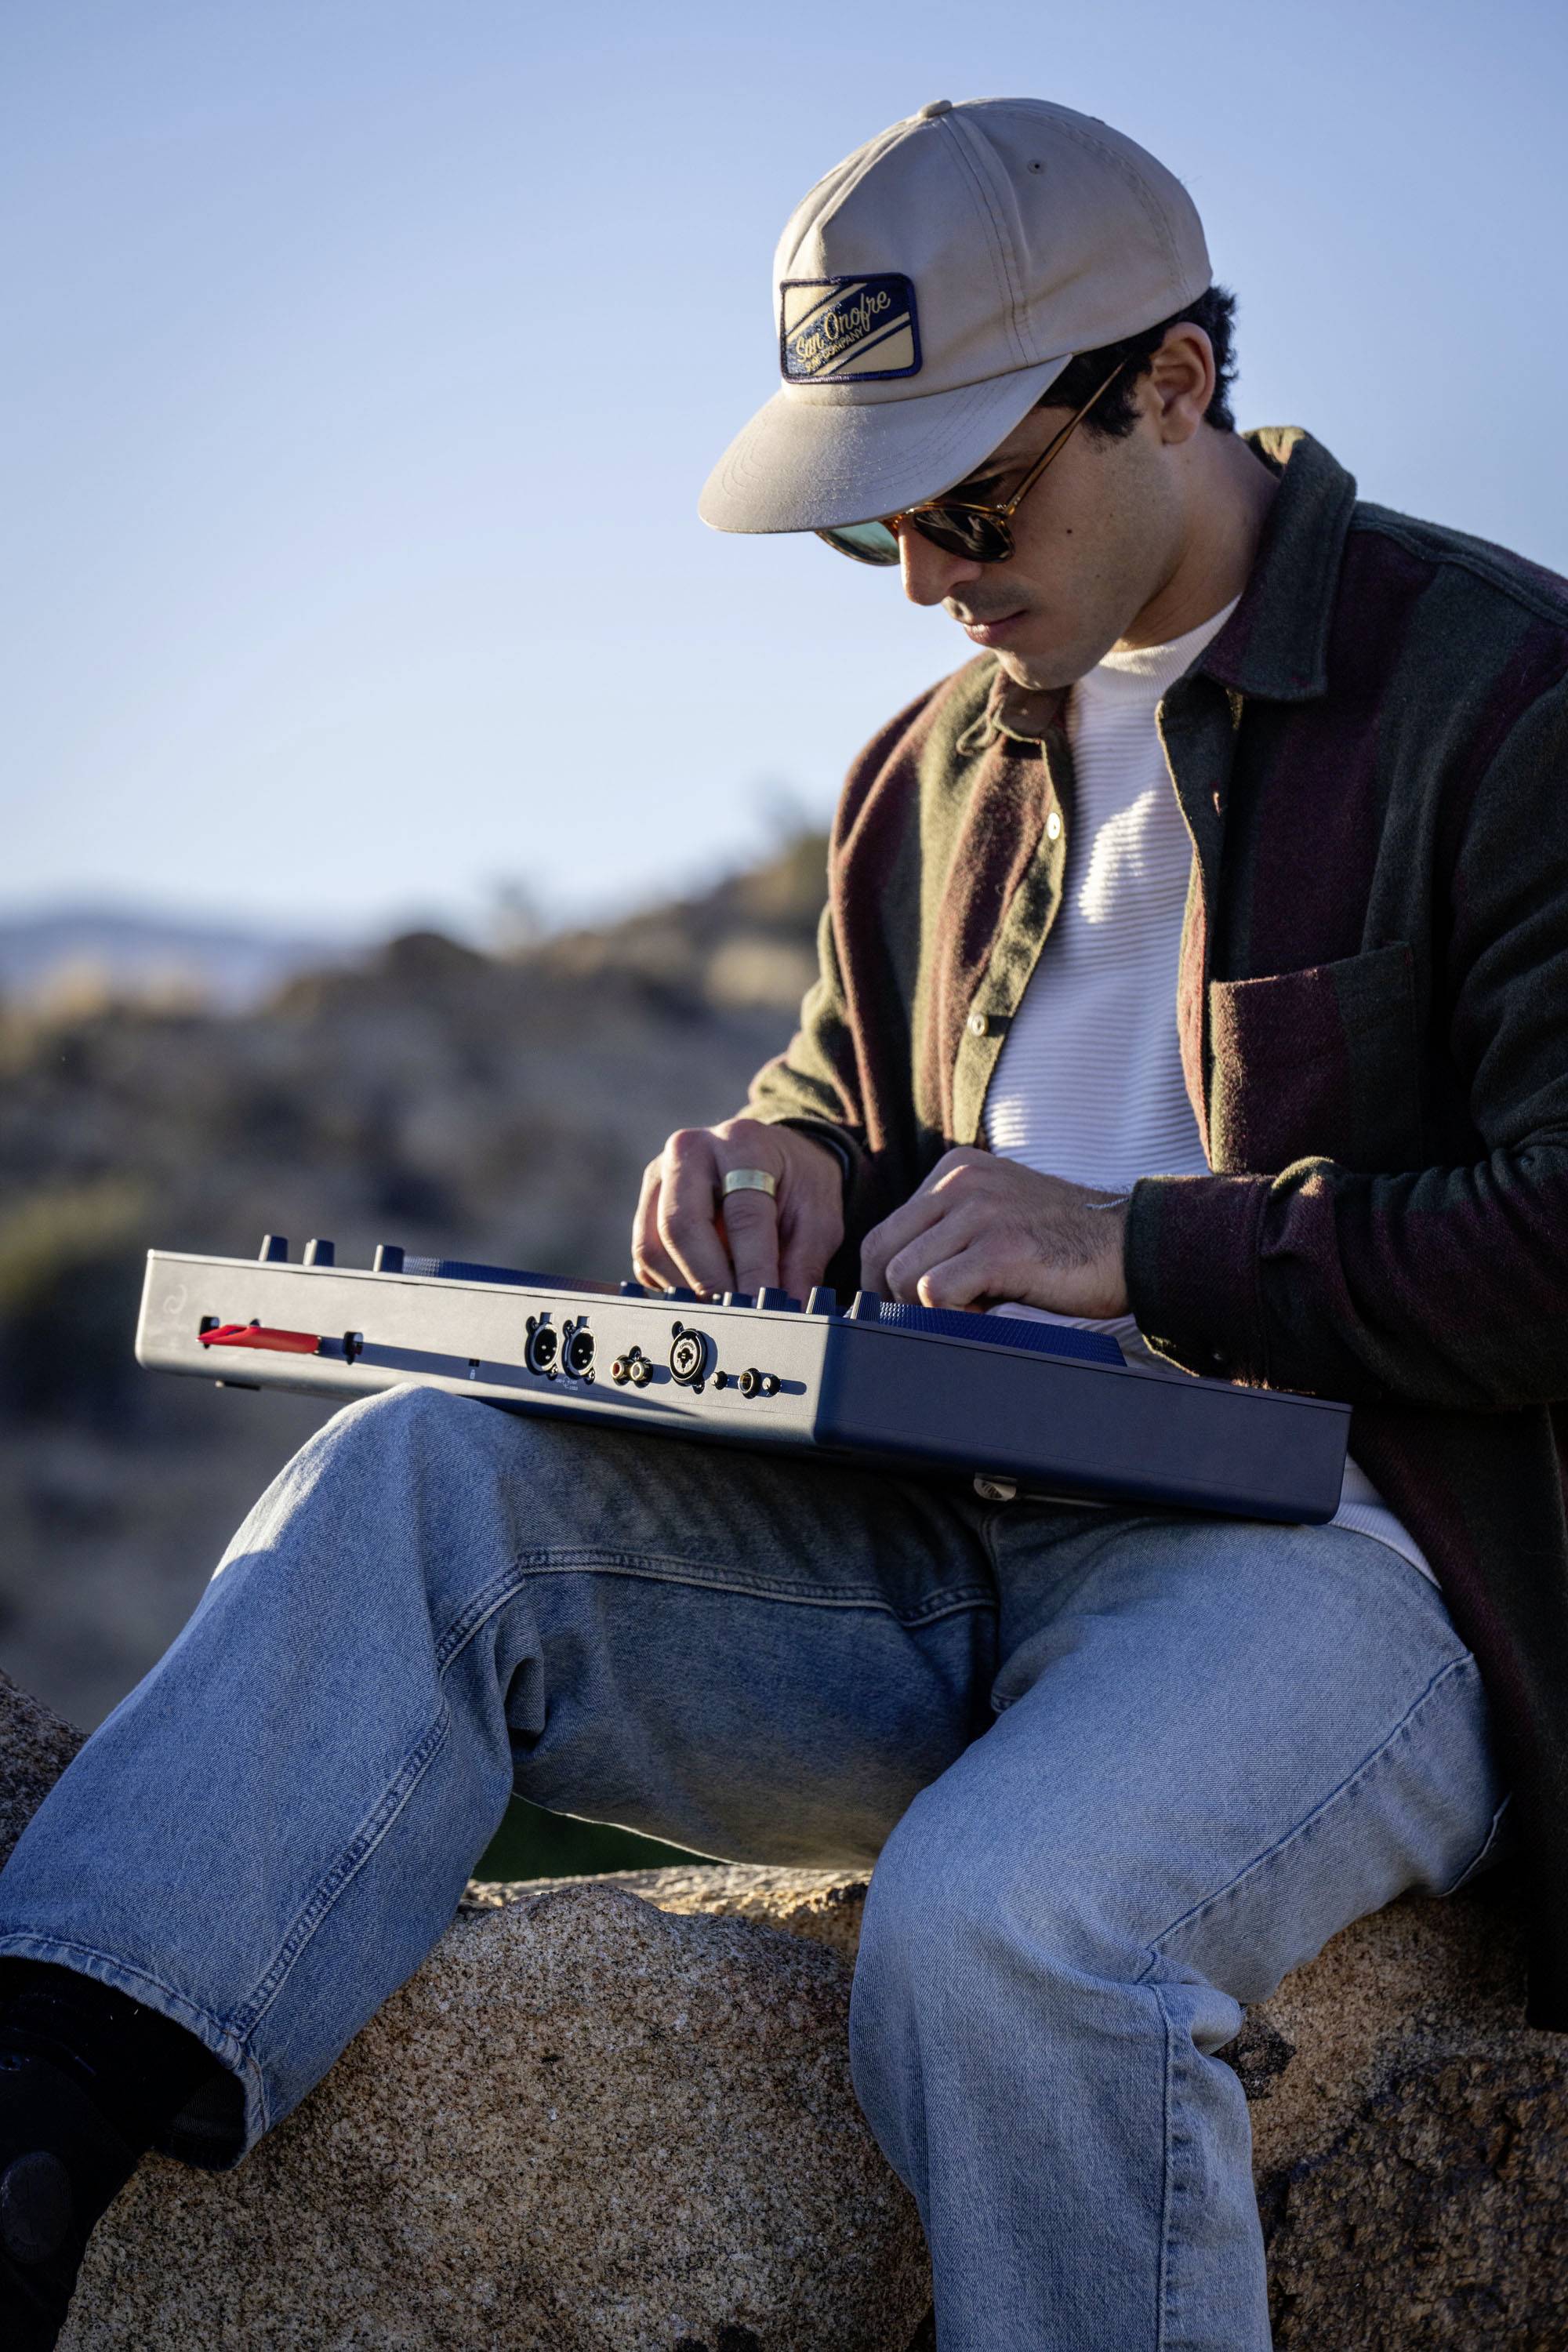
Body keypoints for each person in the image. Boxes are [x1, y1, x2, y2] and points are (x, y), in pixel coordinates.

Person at [1, 94, 1563, 2352]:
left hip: (1335, 1564)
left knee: (1015, 1927)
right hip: (928, 1530)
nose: (927, 578)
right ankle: (40, 2120)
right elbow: (849, 1098)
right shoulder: (921, 772)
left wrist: (1143, 1251)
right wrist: (784, 1168)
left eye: (967, 502)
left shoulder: (1506, 698)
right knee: (420, 1473)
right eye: (874, 534)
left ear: (1174, 385)